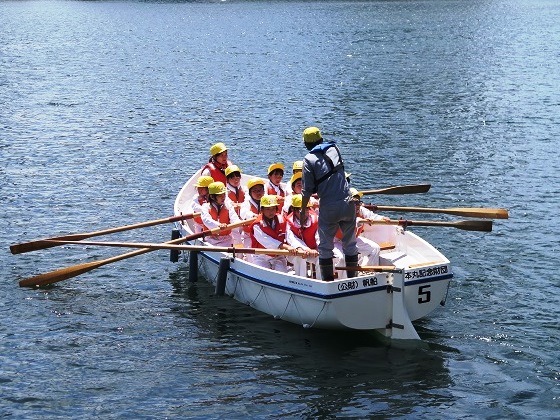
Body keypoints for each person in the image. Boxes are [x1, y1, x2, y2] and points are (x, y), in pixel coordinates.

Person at [300, 126, 359, 281]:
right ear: (321, 139)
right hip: (348, 202)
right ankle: (353, 280)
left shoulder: (308, 159)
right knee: (350, 243)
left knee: (325, 247)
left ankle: (328, 282)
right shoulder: (335, 148)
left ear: (306, 144)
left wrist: (302, 210)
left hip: (329, 206)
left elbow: (307, 190)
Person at [250, 194, 298, 272]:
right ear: (262, 210)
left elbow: (290, 234)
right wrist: (285, 246)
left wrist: (295, 246)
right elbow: (266, 241)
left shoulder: (282, 219)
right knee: (263, 276)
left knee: (281, 275)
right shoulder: (257, 225)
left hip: (278, 255)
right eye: (268, 209)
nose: (271, 212)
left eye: (273, 209)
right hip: (261, 255)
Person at [285, 194, 326, 279]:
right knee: (300, 256)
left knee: (322, 257)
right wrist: (302, 248)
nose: (305, 212)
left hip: (313, 251)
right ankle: (301, 281)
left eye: (307, 209)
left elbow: (319, 236)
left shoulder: (315, 219)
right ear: (293, 209)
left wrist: (318, 248)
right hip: (296, 251)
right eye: (301, 210)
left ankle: (321, 282)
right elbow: (291, 238)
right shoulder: (289, 222)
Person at [200, 181, 241, 247]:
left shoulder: (228, 206)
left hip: (226, 239)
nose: (223, 197)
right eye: (220, 196)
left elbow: (234, 218)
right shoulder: (205, 207)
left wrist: (240, 224)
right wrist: (219, 225)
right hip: (210, 240)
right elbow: (206, 220)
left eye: (224, 195)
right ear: (212, 197)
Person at [239, 178, 266, 251]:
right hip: (249, 236)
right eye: (255, 191)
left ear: (263, 191)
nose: (258, 193)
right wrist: (253, 216)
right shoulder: (246, 204)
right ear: (250, 193)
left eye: (260, 190)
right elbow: (243, 212)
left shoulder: (267, 202)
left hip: (264, 236)